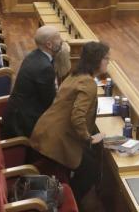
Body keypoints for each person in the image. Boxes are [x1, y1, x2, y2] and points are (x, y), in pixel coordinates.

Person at [30, 42, 109, 210]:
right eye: (106, 58)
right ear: (96, 61)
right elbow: (77, 117)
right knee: (90, 171)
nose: (108, 62)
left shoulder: (73, 75)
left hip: (45, 132)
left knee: (88, 160)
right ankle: (69, 204)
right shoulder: (88, 83)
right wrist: (89, 138)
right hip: (57, 140)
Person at [4, 26, 63, 138]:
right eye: (58, 38)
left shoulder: (34, 55)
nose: (61, 41)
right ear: (49, 45)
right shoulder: (44, 68)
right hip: (24, 123)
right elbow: (50, 102)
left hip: (18, 113)